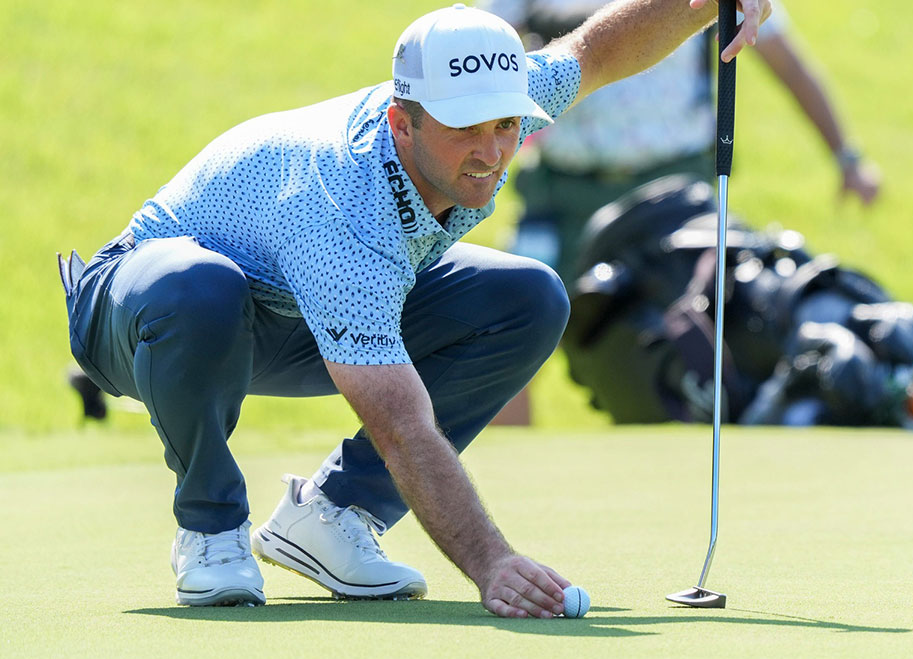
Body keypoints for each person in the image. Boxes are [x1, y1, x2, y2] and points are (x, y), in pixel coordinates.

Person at [58, 0, 769, 617]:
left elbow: (593, 51)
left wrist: (705, 5)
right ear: (403, 123)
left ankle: (333, 517)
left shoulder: (491, 119)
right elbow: (400, 424)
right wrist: (492, 562)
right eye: (466, 130)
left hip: (286, 317)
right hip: (140, 314)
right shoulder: (341, 203)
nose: (492, 152)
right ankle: (209, 524)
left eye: (505, 126)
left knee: (527, 297)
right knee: (199, 284)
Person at [479, 0, 882, 278]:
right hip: (563, 191)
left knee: (698, 339)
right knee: (501, 326)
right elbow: (487, 69)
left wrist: (846, 158)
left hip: (676, 190)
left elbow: (787, 64)